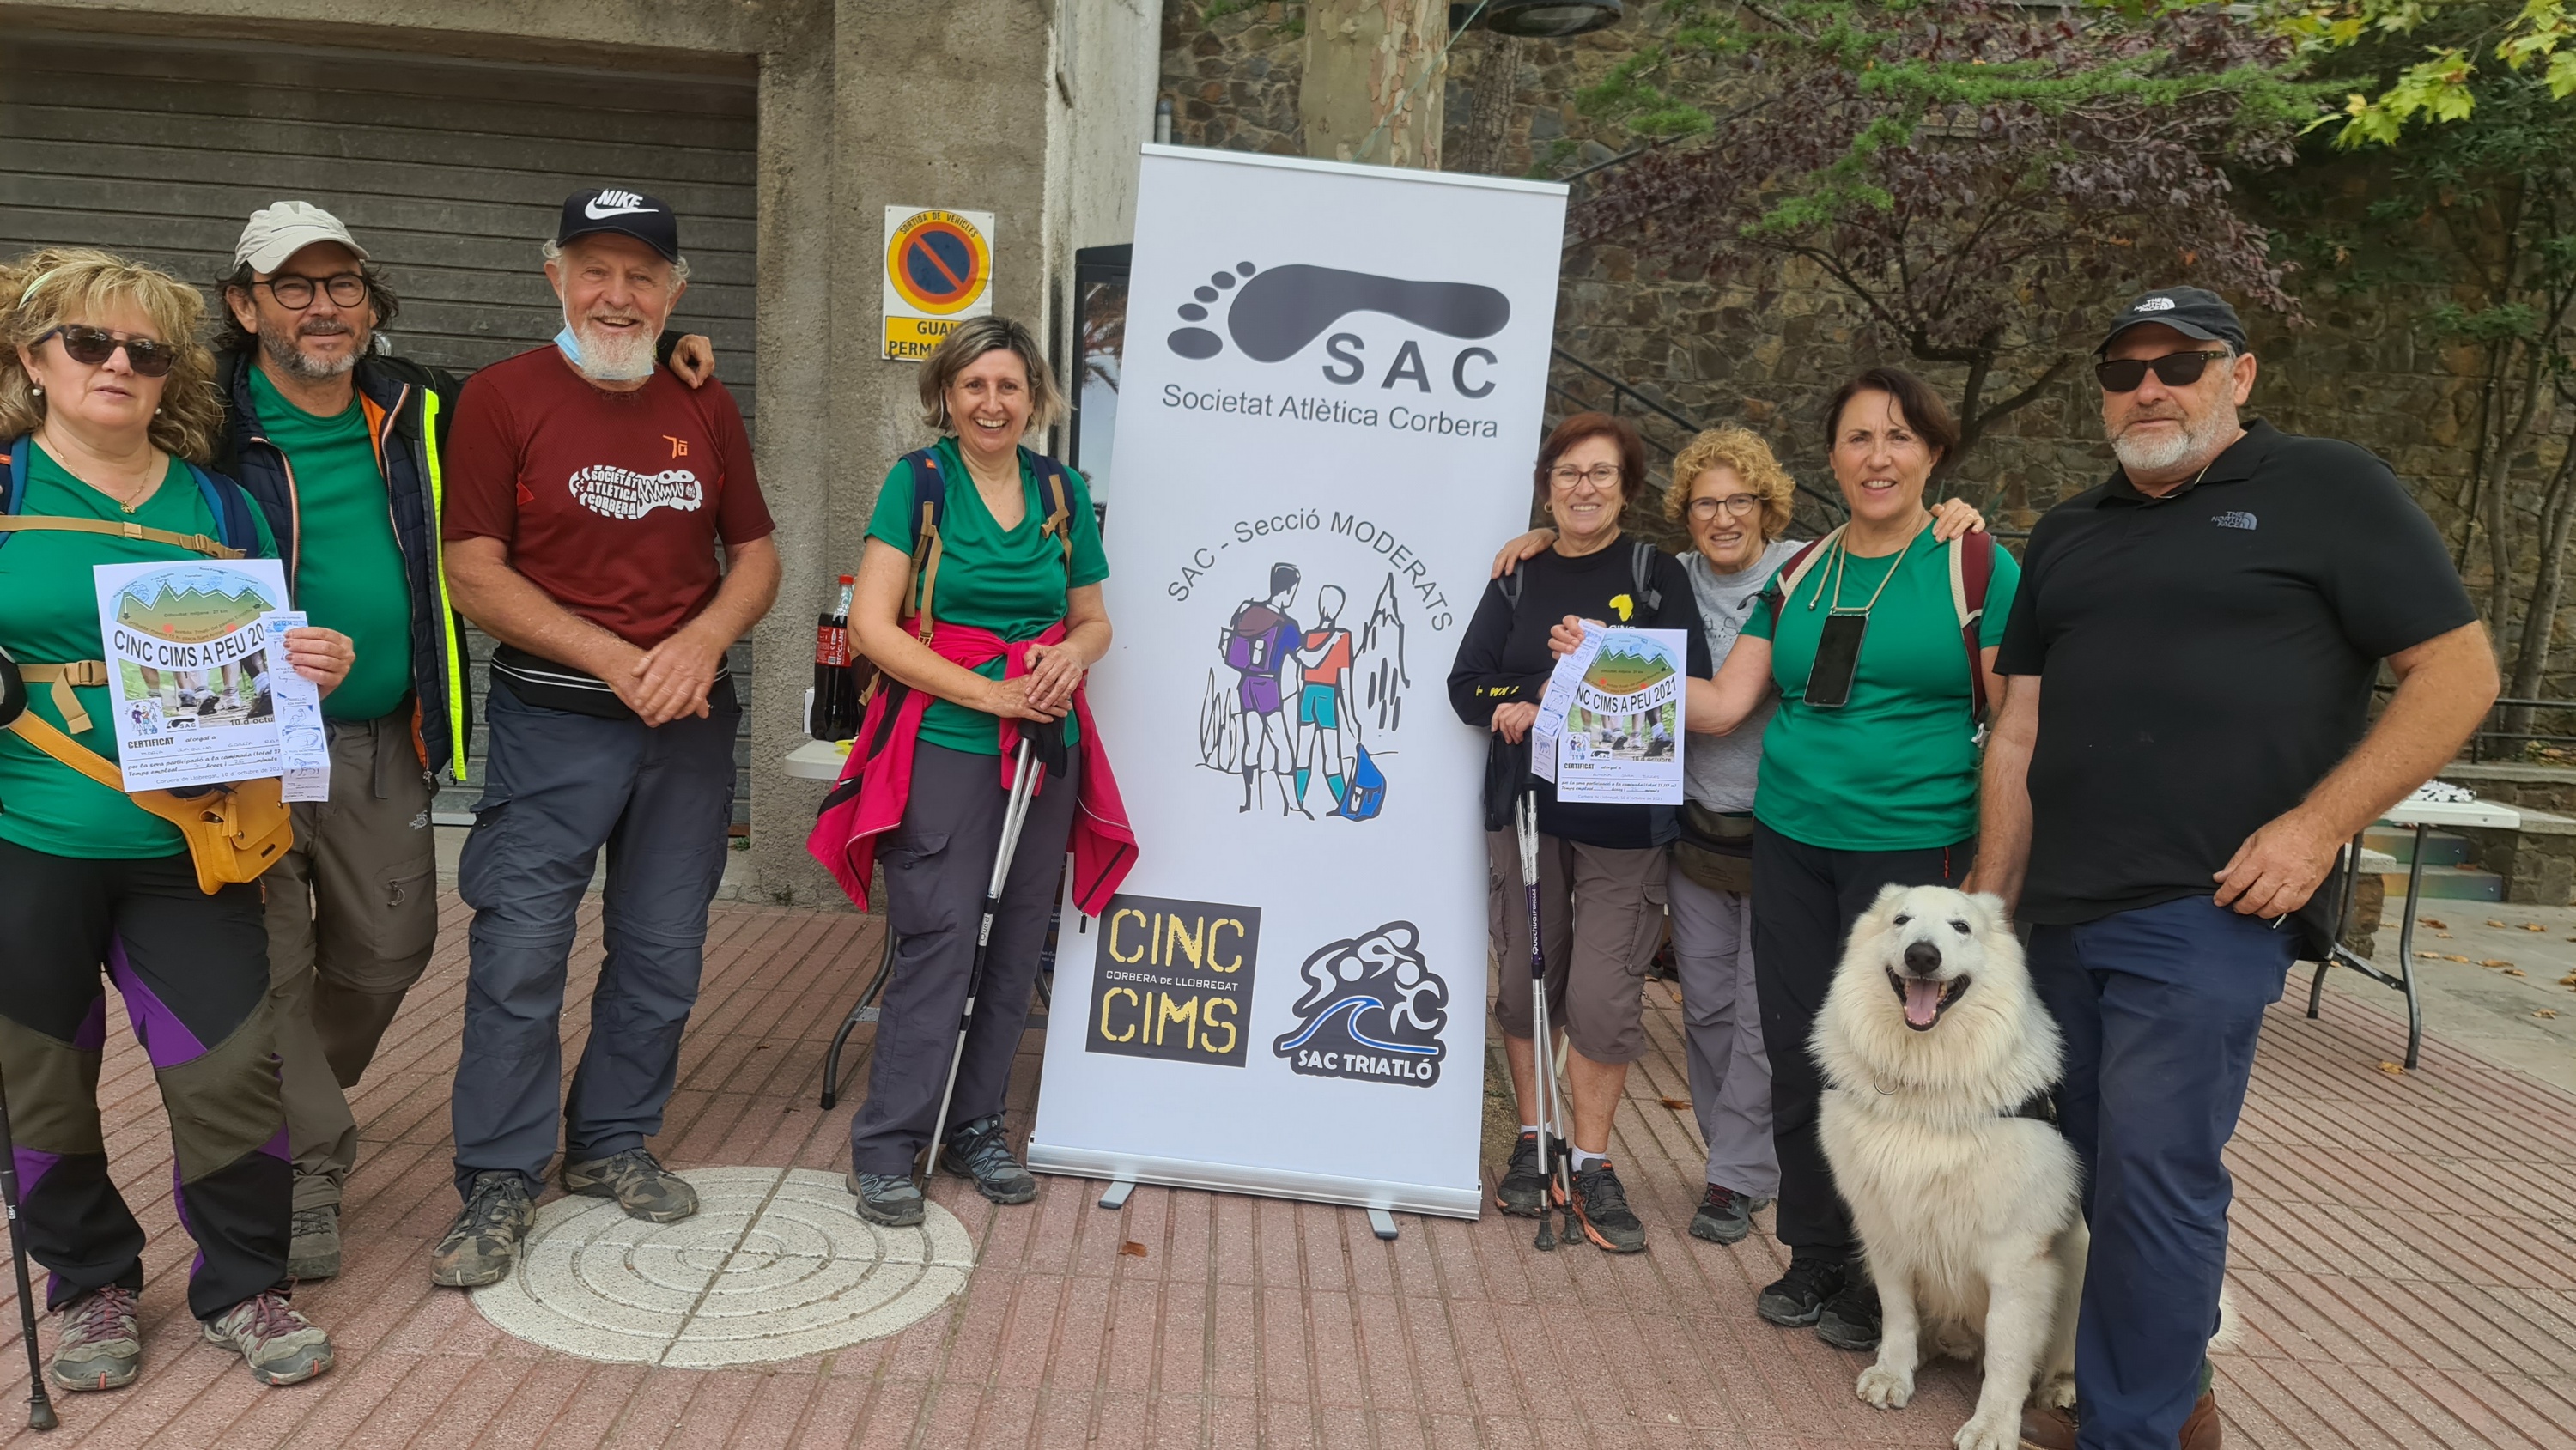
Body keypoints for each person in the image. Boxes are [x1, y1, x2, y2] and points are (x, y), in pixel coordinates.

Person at [1970, 288, 2495, 1450]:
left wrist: (2316, 828)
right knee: (2090, 1171)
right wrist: (1988, 899)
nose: (2149, 388)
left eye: (2181, 363)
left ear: (2240, 375)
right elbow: (2019, 729)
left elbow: (2460, 674)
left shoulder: (2330, 489)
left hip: (2209, 908)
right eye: (2124, 371)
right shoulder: (2069, 531)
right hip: (2062, 914)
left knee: (2156, 1173)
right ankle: (2175, 1396)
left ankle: (2131, 1431)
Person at [210, 200, 720, 1282]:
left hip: (385, 735)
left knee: (388, 956)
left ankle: (296, 1106)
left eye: (341, 285)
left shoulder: (423, 404)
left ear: (371, 302)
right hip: (239, 737)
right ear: (244, 305)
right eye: (292, 287)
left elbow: (581, 379)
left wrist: (663, 343)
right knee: (267, 969)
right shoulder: (195, 418)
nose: (321, 308)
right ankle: (304, 1169)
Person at [1492, 431, 1988, 1247]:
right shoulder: (1671, 576)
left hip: (1785, 824)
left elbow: (1886, 546)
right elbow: (1594, 554)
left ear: (1768, 505)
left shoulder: (1808, 569)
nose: (1722, 518)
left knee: (1767, 1014)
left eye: (1739, 501)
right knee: (1709, 1007)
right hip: (1697, 825)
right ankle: (1735, 1155)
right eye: (1704, 504)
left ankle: (1739, 1175)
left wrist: (1950, 515)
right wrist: (1545, 537)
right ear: (1684, 513)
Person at [0, 247, 353, 1388]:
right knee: (38, 1081)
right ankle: (88, 1284)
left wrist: (314, 662)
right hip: (26, 841)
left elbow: (269, 659)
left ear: (171, 375)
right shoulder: (3, 488)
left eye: (146, 351)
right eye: (87, 342)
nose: (118, 364)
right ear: (33, 359)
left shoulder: (221, 503)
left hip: (191, 842)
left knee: (232, 1070)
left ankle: (245, 1286)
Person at [432, 189, 779, 1287]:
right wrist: (616, 659)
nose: (617, 295)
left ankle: (612, 1140)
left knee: (664, 949)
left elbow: (756, 554)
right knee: (521, 951)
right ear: (557, 278)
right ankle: (498, 1174)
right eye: (596, 270)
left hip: (687, 726)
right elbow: (471, 568)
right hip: (554, 721)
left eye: (642, 275)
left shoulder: (704, 399)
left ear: (675, 292)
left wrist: (702, 641)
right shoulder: (501, 397)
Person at [839, 316, 1122, 1227]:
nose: (991, 403)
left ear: (1035, 398)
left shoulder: (1062, 491)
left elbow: (1093, 619)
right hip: (945, 742)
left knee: (1016, 940)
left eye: (1008, 386)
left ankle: (975, 1127)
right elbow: (873, 626)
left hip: (1045, 745)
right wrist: (991, 694)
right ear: (946, 396)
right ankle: (889, 1145)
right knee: (942, 934)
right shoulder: (918, 483)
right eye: (974, 386)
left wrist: (1070, 655)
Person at [1448, 411, 1712, 1254]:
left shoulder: (1654, 573)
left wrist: (1595, 662)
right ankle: (1535, 1142)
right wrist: (1529, 694)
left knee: (1602, 996)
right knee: (1527, 981)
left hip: (1624, 823)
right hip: (1527, 813)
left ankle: (1592, 1161)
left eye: (1601, 473)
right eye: (1568, 473)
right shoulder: (1518, 576)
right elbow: (1467, 686)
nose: (1584, 487)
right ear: (1547, 488)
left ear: (1627, 490)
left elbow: (1685, 686)